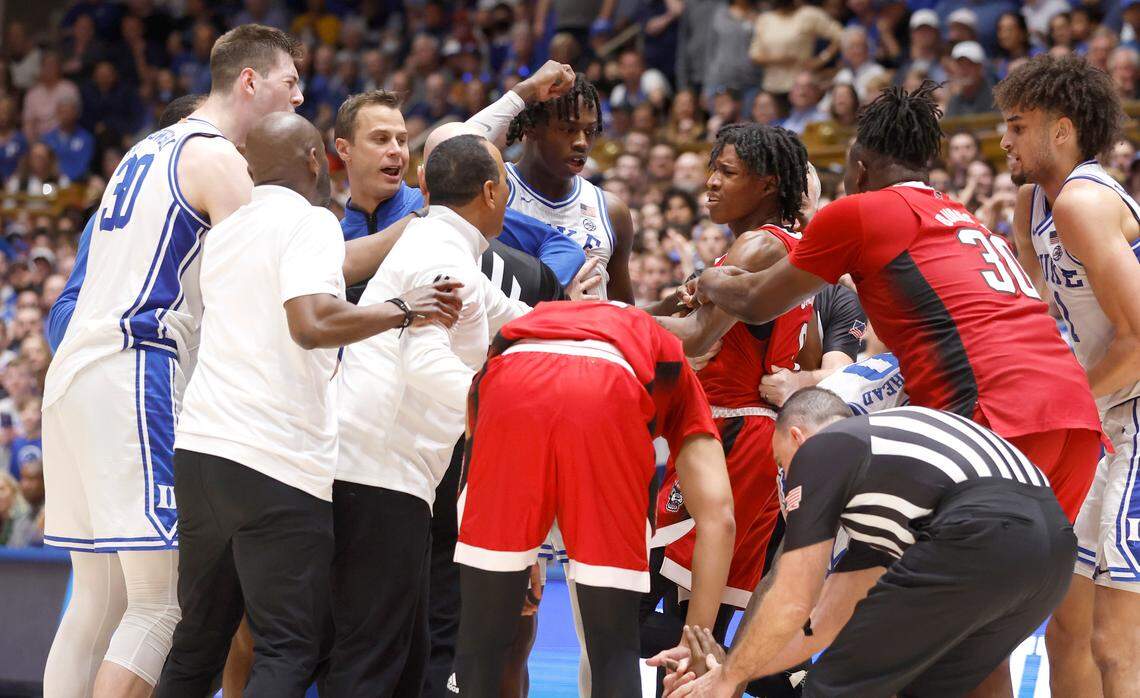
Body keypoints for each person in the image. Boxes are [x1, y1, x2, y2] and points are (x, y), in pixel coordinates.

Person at [689, 83, 1103, 697]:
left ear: (858, 164)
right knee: (981, 628)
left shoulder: (862, 210)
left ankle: (741, 675)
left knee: (899, 618)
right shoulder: (962, 217)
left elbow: (753, 302)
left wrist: (709, 278)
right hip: (1073, 417)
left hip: (994, 410)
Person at [156, 112, 461, 696]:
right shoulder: (311, 221)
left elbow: (341, 267)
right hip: (275, 464)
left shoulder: (225, 230)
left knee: (196, 646)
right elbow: (312, 321)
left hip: (200, 457)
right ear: (318, 161)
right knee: (288, 647)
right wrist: (405, 307)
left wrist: (419, 224)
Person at [41, 24, 304, 698]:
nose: (300, 98)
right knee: (163, 603)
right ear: (251, 82)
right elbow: (268, 282)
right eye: (290, 81)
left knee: (96, 604)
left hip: (75, 374)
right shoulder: (218, 158)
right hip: (138, 365)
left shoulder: (144, 150)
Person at [659, 388, 1076, 697]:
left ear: (798, 439)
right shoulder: (893, 480)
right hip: (1051, 554)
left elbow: (791, 598)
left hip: (978, 535)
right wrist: (730, 671)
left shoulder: (824, 449)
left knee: (835, 689)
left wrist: (727, 681)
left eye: (780, 462)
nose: (785, 476)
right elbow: (822, 623)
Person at [326, 133, 530, 696]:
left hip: (389, 474)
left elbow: (523, 321)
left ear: (423, 187)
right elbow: (425, 363)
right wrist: (503, 408)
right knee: (372, 660)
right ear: (491, 192)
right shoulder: (442, 257)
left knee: (407, 659)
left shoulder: (446, 249)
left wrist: (611, 321)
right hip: (377, 475)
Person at [453, 300, 736, 697]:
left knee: (481, 641)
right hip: (609, 389)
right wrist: (695, 637)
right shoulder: (671, 358)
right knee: (613, 647)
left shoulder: (531, 322)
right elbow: (718, 517)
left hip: (508, 379)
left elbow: (474, 452)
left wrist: (516, 553)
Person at [998, 55, 1140, 698]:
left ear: (1061, 131)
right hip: (1106, 411)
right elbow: (1040, 316)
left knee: (1117, 645)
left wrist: (1066, 401)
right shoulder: (1033, 204)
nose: (1004, 138)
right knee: (1064, 624)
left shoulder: (1085, 200)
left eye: (1017, 125)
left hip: (1133, 413)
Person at [645, 124, 813, 645]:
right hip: (752, 437)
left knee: (655, 618)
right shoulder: (793, 250)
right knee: (696, 621)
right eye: (712, 169)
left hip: (729, 433)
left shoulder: (757, 245)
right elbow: (805, 353)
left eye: (727, 172)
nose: (711, 182)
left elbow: (695, 340)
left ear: (767, 184)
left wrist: (607, 320)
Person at [335, 61, 586, 299]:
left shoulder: (449, 202)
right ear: (344, 149)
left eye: (401, 140)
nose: (396, 150)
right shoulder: (335, 239)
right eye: (380, 139)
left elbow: (560, 247)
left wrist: (548, 296)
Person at [505, 73, 636, 303]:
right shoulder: (496, 189)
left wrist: (675, 300)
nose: (581, 143)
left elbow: (625, 316)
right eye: (568, 129)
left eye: (590, 131)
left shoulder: (612, 211)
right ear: (530, 126)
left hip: (592, 337)